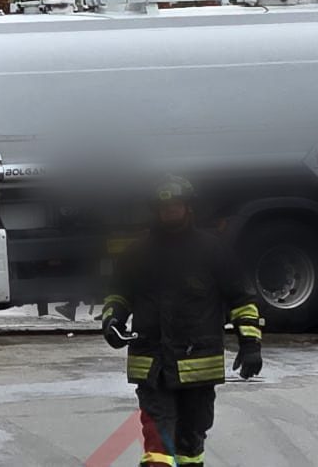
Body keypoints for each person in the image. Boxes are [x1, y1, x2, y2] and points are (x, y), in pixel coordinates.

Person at [101, 175, 263, 466]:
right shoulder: (137, 254)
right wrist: (112, 320)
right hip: (153, 366)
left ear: (189, 208)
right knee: (158, 444)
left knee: (191, 445)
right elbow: (119, 295)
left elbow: (242, 301)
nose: (170, 211)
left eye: (176, 206)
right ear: (156, 210)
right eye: (164, 207)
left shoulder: (213, 251)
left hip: (198, 369)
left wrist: (250, 345)